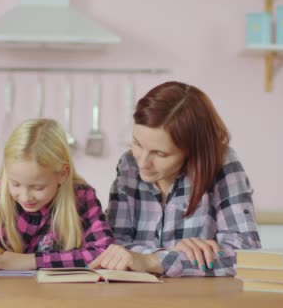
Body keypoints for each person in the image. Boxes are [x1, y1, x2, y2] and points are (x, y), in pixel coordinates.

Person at [89, 81, 261, 277]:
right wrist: (169, 256)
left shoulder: (222, 164)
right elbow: (114, 244)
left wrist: (152, 260)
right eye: (137, 143)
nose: (143, 162)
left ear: (191, 151)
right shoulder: (129, 164)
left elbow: (247, 254)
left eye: (160, 154)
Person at [0, 118, 114, 271]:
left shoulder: (81, 197)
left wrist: (32, 261)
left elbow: (104, 253)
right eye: (15, 184)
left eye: (38, 187)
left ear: (62, 174)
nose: (25, 196)